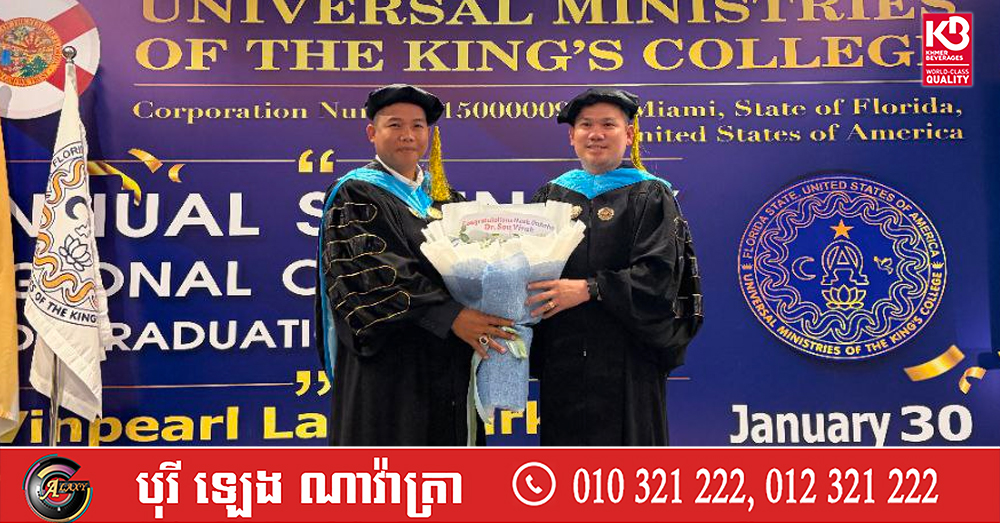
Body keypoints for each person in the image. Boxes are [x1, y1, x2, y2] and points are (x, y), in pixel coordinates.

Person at [316, 84, 514, 446]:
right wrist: (450, 316)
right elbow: (370, 276)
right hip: (392, 367)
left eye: (418, 126)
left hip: (450, 357)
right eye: (395, 125)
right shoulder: (355, 193)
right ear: (372, 133)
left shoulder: (447, 200)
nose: (407, 135)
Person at [528, 88, 703, 446]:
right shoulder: (552, 195)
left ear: (630, 134)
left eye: (608, 124)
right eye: (586, 125)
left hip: (629, 359)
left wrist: (590, 289)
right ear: (571, 135)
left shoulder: (651, 195)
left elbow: (659, 279)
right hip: (563, 358)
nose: (596, 134)